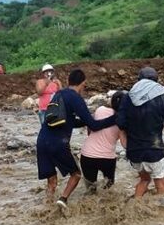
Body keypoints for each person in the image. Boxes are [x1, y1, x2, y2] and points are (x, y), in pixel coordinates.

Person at [37, 69, 117, 212]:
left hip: (42, 140)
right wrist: (115, 118)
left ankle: (47, 208)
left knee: (52, 181)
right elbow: (94, 125)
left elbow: (68, 121)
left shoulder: (58, 94)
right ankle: (63, 199)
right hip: (58, 143)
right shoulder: (75, 98)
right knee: (76, 174)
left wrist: (85, 122)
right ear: (83, 84)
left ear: (68, 82)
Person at [117, 67, 164, 198]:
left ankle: (135, 206)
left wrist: (126, 144)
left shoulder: (127, 98)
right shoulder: (161, 97)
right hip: (154, 150)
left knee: (144, 180)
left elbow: (120, 124)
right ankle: (162, 216)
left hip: (134, 152)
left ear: (139, 80)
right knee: (161, 184)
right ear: (156, 81)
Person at [79, 91, 127, 192]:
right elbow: (124, 144)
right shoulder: (124, 121)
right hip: (107, 158)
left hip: (87, 155)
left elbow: (90, 127)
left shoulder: (100, 110)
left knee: (90, 190)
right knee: (108, 190)